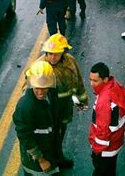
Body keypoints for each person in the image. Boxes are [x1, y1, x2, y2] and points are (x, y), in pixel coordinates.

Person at [34, 33, 89, 168]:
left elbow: (77, 82)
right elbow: (33, 90)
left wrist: (80, 100)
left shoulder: (70, 61)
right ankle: (50, 161)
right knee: (49, 137)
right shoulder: (40, 67)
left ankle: (58, 157)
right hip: (49, 110)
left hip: (64, 107)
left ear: (63, 52)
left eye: (56, 54)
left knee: (60, 134)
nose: (53, 57)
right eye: (50, 54)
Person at [13, 61, 61, 175]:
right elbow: (24, 136)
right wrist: (41, 160)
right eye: (37, 88)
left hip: (49, 150)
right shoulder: (25, 106)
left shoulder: (51, 93)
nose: (40, 92)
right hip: (36, 163)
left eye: (44, 88)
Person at [88, 62, 125, 176]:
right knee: (110, 170)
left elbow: (102, 130)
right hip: (115, 143)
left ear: (105, 79)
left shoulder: (104, 101)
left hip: (105, 149)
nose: (91, 84)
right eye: (90, 79)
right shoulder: (116, 86)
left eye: (95, 81)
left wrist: (97, 150)